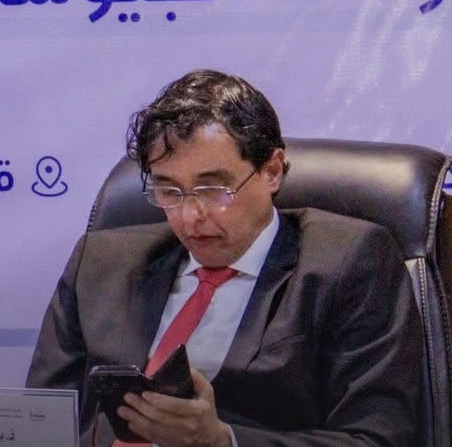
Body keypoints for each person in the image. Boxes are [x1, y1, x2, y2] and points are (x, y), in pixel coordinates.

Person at [27, 69, 423, 446]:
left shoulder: (348, 262)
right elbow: (40, 423)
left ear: (272, 171)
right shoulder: (99, 264)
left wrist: (222, 441)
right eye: (170, 191)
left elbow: (378, 438)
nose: (189, 216)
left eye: (213, 189)